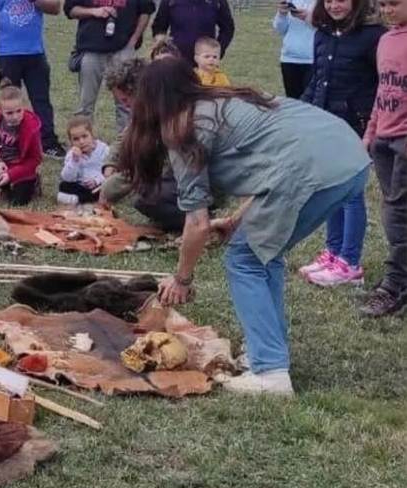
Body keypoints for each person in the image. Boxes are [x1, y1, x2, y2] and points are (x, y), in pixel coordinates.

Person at [118, 58, 371, 395]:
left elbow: (196, 221)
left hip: (314, 170)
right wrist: (238, 220)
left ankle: (271, 373)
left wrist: (181, 279)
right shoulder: (224, 98)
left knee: (245, 260)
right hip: (348, 157)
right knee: (264, 255)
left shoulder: (181, 126)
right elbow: (270, 161)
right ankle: (268, 352)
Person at [297, 0, 384, 287]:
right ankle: (333, 252)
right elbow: (317, 78)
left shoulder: (373, 36)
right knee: (331, 189)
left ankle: (350, 262)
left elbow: (384, 84)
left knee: (351, 193)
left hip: (355, 126)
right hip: (325, 124)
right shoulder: (322, 34)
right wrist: (303, 112)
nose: (335, 5)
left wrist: (372, 126)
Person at [100, 57, 189, 232]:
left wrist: (112, 187)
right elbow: (126, 135)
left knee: (146, 198)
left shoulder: (168, 112)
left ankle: (197, 218)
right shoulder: (145, 108)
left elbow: (154, 164)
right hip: (177, 173)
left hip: (192, 175)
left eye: (126, 100)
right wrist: (110, 163)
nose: (126, 105)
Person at [360, 0, 407, 316]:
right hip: (384, 139)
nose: (388, 10)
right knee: (393, 208)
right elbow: (382, 90)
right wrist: (371, 133)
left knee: (397, 213)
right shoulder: (386, 40)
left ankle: (394, 286)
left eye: (395, 3)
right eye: (382, 4)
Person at [0, 0, 64, 158]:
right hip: (8, 54)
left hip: (35, 52)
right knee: (10, 101)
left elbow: (55, 8)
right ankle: (9, 141)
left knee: (41, 100)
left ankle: (48, 142)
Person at [64, 0, 155, 134]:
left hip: (122, 49)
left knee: (126, 104)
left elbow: (146, 11)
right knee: (86, 104)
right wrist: (94, 12)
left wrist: (133, 40)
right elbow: (70, 10)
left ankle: (125, 146)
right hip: (91, 49)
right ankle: (84, 146)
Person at [0, 82, 43, 205]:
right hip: (3, 163)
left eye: (19, 111)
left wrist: (11, 174)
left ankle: (33, 183)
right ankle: (5, 189)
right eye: (9, 113)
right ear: (1, 111)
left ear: (24, 107)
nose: (15, 116)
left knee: (17, 202)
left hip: (21, 167)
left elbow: (35, 159)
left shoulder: (31, 128)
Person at [151, 0, 235, 63]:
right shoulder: (170, 1)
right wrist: (164, 51)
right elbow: (159, 27)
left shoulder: (217, 2)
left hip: (204, 64)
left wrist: (217, 51)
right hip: (177, 61)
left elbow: (228, 28)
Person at [58, 116, 109, 205]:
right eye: (76, 139)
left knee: (107, 188)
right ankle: (81, 198)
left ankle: (77, 199)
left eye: (85, 136)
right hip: (80, 185)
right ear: (71, 142)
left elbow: (109, 173)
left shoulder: (103, 150)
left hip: (99, 185)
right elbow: (67, 178)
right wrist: (75, 161)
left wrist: (96, 181)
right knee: (63, 185)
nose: (81, 142)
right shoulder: (72, 154)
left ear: (92, 135)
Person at [272, 0, 314, 98]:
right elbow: (280, 29)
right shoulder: (290, 1)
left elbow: (328, 27)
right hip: (289, 59)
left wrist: (308, 17)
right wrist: (281, 14)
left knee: (312, 103)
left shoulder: (323, 3)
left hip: (313, 60)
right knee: (293, 102)